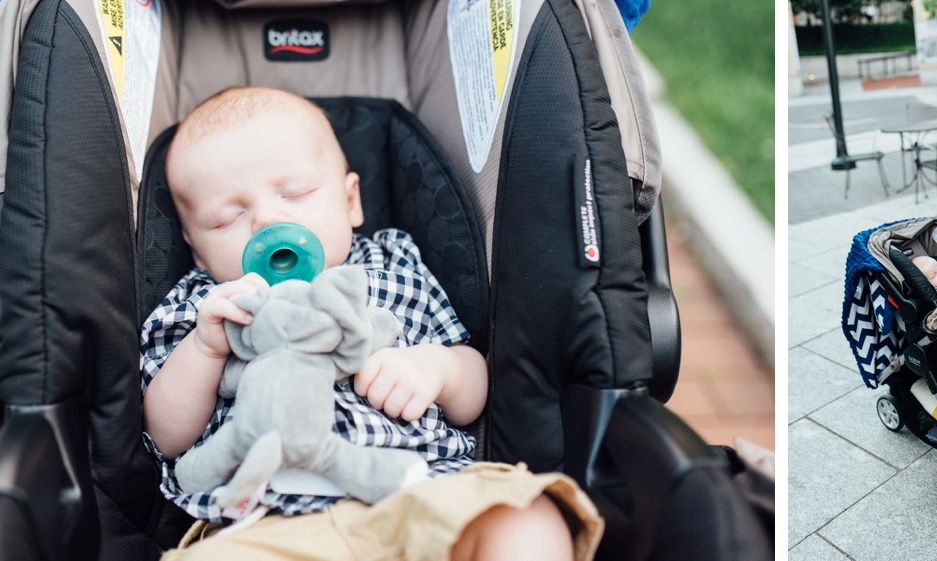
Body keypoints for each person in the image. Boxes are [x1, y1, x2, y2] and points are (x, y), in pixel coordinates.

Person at [140, 86, 600, 561]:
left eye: (295, 193)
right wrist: (205, 350)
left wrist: (438, 369)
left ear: (351, 201)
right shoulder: (205, 307)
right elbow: (165, 435)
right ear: (197, 251)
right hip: (269, 520)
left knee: (527, 522)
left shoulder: (392, 264)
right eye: (226, 219)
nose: (267, 221)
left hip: (420, 486)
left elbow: (473, 390)